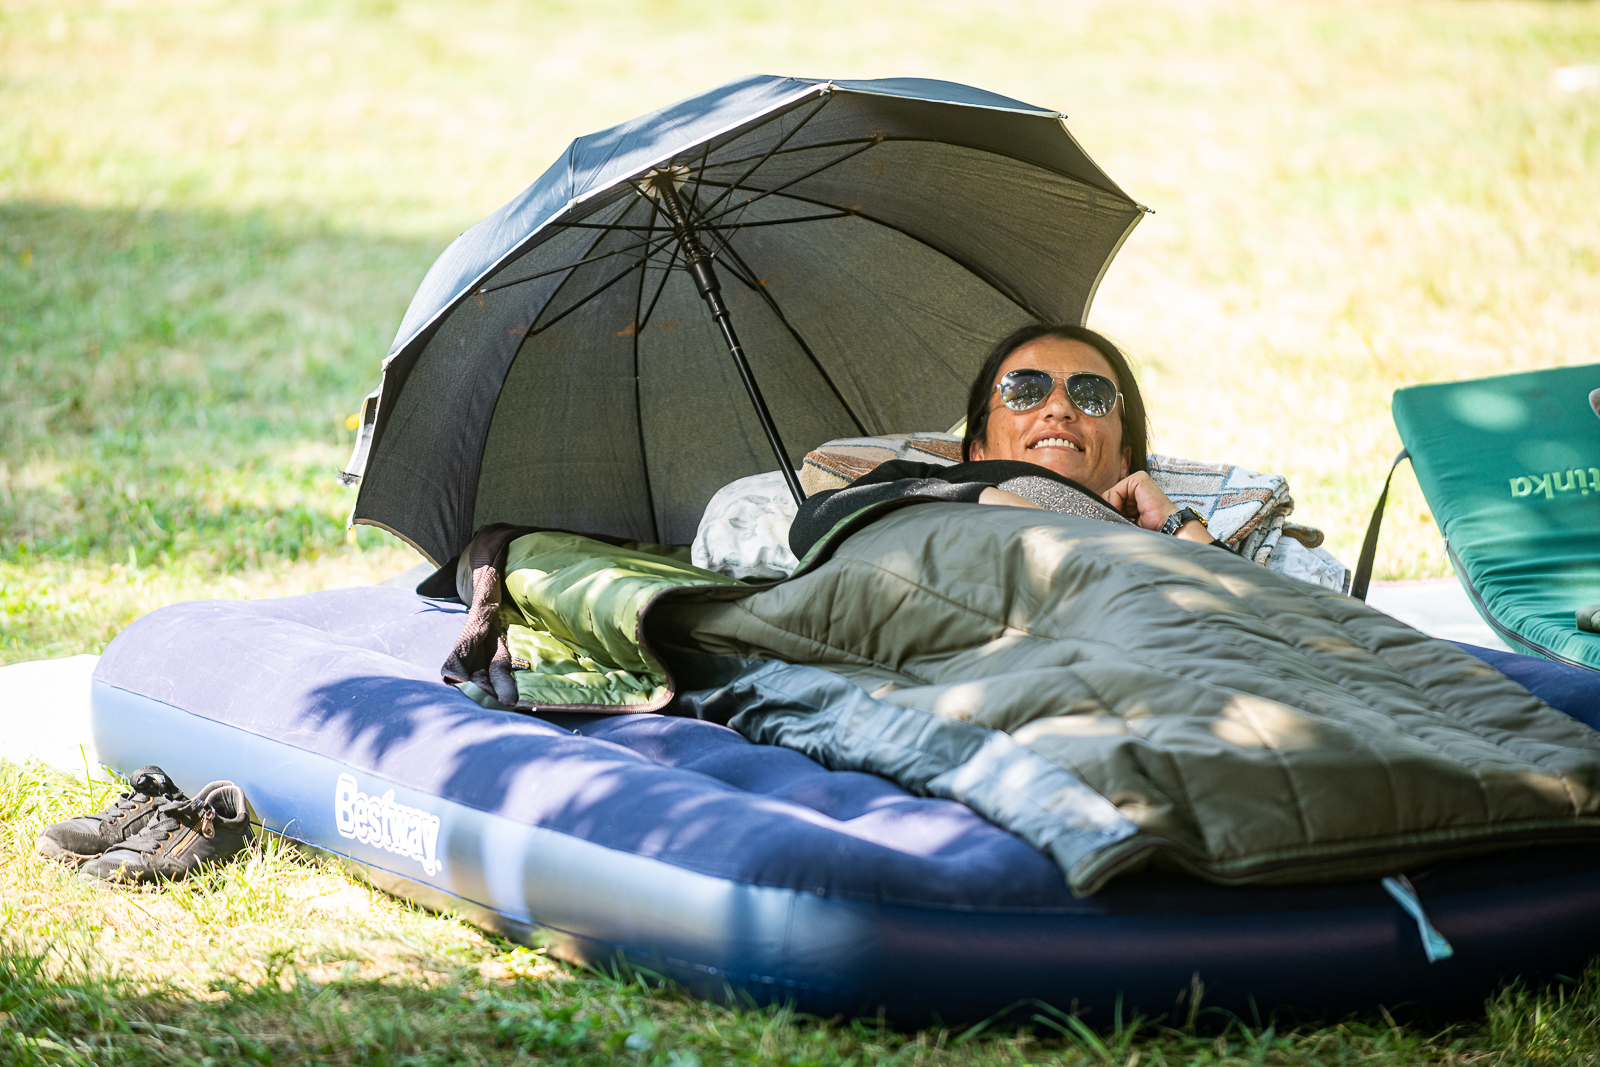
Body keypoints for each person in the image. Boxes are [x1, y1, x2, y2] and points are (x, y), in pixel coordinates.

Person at [788, 323, 1229, 558]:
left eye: (1092, 396)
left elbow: (1257, 611)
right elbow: (814, 524)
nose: (1058, 408)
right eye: (1025, 390)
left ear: (1123, 459)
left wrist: (1176, 523)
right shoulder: (933, 485)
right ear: (977, 448)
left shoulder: (1153, 537)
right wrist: (990, 500)